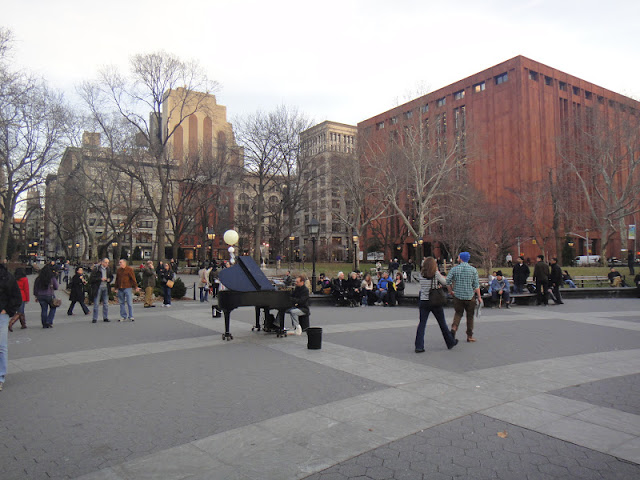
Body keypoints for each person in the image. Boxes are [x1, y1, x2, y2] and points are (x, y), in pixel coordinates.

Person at [415, 257, 458, 353]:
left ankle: (419, 345)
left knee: (422, 324)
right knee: (442, 323)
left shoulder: (421, 274)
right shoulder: (436, 274)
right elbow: (445, 282)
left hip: (424, 300)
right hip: (435, 301)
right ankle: (450, 341)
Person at [446, 252, 482, 342]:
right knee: (470, 316)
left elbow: (447, 281)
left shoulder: (455, 269)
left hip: (458, 296)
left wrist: (451, 291)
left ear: (461, 258)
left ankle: (454, 328)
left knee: (458, 314)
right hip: (470, 296)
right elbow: (476, 285)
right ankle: (469, 336)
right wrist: (479, 297)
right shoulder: (473, 270)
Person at [0, 262, 23, 392]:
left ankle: (0, 377)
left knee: (1, 346)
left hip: (1, 316)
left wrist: (7, 310)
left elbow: (16, 297)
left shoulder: (7, 277)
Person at [33, 264, 59, 328]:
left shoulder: (38, 279)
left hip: (40, 296)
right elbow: (56, 287)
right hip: (50, 295)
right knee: (53, 307)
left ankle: (44, 324)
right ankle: (49, 321)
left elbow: (35, 288)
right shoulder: (52, 278)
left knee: (44, 310)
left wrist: (36, 296)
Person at [90, 258, 113, 323]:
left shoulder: (108, 269)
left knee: (106, 303)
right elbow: (92, 279)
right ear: (102, 262)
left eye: (108, 262)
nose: (107, 264)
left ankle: (105, 317)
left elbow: (111, 277)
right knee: (96, 303)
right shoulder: (97, 269)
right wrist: (100, 279)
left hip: (106, 287)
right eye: (106, 262)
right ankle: (95, 318)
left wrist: (109, 280)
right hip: (98, 287)